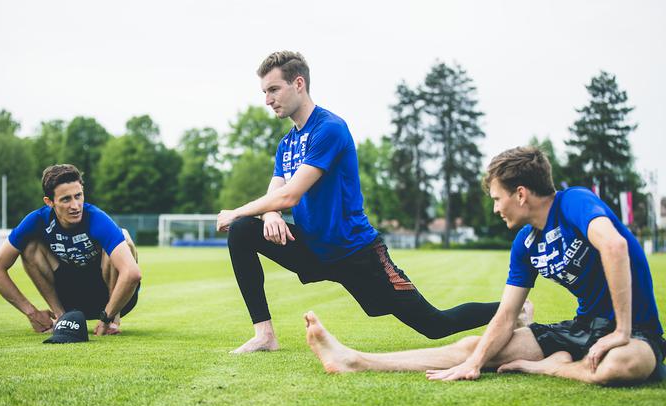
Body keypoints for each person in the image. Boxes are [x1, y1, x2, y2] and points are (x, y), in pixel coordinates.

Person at [217, 51, 517, 354]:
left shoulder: (329, 129)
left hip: (354, 251)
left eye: (273, 89)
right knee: (242, 231)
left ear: (298, 84)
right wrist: (269, 215)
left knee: (434, 324)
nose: (267, 99)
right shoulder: (287, 144)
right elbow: (275, 195)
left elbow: (289, 195)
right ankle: (265, 335)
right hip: (312, 246)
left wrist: (237, 211)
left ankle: (514, 310)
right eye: (264, 92)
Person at [304, 146, 665, 386]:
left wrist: (621, 330)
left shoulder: (573, 203)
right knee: (474, 347)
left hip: (636, 332)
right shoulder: (525, 244)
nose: (496, 208)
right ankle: (355, 360)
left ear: (520, 193)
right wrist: (475, 362)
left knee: (621, 365)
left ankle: (553, 366)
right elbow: (507, 315)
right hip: (581, 329)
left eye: (497, 198)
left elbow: (614, 245)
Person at [0, 164, 142, 336]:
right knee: (30, 247)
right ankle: (62, 318)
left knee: (124, 239)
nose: (75, 206)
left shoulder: (97, 218)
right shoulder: (36, 220)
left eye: (78, 196)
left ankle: (112, 321)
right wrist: (32, 313)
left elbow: (132, 273)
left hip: (111, 299)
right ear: (49, 202)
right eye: (66, 199)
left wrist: (106, 317)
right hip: (71, 298)